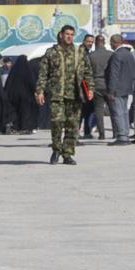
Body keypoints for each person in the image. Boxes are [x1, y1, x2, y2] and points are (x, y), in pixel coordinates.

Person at [36, 24, 89, 165]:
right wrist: (40, 91)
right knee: (56, 123)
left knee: (72, 126)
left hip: (75, 95)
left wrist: (90, 88)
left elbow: (87, 71)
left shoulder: (79, 52)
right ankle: (56, 149)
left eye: (72, 34)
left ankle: (68, 154)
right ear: (61, 35)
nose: (69, 37)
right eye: (67, 34)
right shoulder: (51, 52)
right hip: (57, 95)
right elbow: (43, 74)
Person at [104, 33, 135, 144]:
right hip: (126, 87)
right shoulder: (129, 54)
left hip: (117, 89)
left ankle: (122, 136)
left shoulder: (116, 55)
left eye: (111, 42)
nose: (110, 45)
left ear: (115, 42)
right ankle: (125, 133)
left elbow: (114, 74)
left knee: (118, 112)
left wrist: (110, 90)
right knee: (124, 112)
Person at [86, 33, 114, 140]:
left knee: (98, 110)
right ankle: (116, 132)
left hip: (97, 83)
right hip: (109, 84)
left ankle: (102, 134)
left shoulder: (91, 56)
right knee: (113, 109)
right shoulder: (111, 54)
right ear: (104, 43)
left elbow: (88, 71)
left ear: (95, 43)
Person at [5, 53, 40, 134]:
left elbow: (8, 84)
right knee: (26, 112)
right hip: (26, 96)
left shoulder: (14, 71)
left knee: (17, 111)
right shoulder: (27, 71)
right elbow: (31, 83)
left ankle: (17, 126)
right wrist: (36, 91)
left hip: (15, 96)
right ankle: (25, 127)